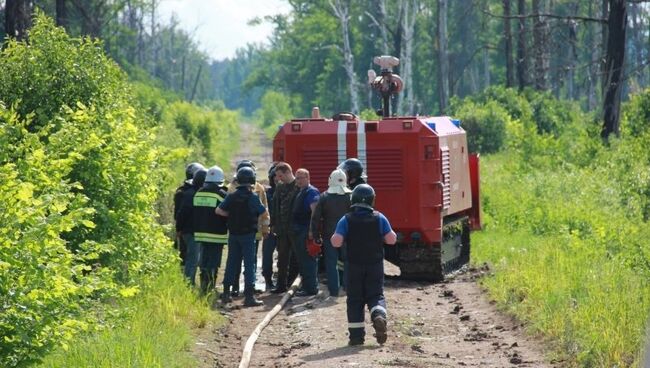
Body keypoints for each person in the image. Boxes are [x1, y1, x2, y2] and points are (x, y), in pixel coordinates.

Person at [331, 184, 397, 346]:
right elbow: (391, 240)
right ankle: (378, 315)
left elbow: (336, 242)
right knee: (375, 295)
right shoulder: (380, 217)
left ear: (353, 200)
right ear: (372, 200)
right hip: (374, 265)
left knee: (354, 299)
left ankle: (356, 337)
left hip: (354, 265)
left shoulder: (346, 219)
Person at [217, 166, 267, 307]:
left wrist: (231, 215)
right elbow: (263, 212)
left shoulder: (231, 196)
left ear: (238, 180)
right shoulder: (253, 197)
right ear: (252, 180)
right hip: (248, 235)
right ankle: (249, 297)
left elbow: (219, 211)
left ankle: (226, 294)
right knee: (249, 264)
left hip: (233, 234)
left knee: (231, 262)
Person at [227, 160, 270, 296]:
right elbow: (264, 211)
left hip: (250, 231)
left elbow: (222, 209)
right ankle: (239, 288)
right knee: (241, 260)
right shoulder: (232, 189)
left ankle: (245, 288)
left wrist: (264, 229)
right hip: (246, 230)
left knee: (247, 261)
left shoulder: (259, 189)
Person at [310, 169, 351, 297]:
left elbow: (316, 218)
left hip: (330, 235)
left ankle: (334, 291)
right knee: (348, 261)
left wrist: (316, 236)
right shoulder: (350, 196)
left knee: (331, 263)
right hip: (348, 235)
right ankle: (348, 287)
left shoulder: (324, 197)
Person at [192, 166, 229, 294]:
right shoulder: (221, 195)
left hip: (201, 234)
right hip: (216, 235)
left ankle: (203, 286)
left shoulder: (198, 193)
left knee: (203, 261)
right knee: (214, 262)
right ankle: (210, 288)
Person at [269, 162, 300, 293]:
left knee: (295, 258)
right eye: (277, 176)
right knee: (282, 258)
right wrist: (273, 224)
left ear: (288, 172)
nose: (278, 179)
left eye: (281, 175)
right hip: (282, 229)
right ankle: (281, 286)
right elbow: (275, 206)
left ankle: (292, 284)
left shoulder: (298, 187)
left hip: (294, 228)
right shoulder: (280, 188)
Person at [291, 168, 320, 296]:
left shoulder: (311, 192)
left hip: (305, 231)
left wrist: (311, 231)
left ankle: (311, 288)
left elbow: (314, 212)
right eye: (297, 178)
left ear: (308, 178)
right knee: (302, 260)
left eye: (301, 178)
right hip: (299, 230)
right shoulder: (301, 191)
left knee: (308, 260)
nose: (298, 181)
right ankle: (307, 286)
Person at [177, 167, 207, 285]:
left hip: (188, 231)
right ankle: (189, 284)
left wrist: (179, 229)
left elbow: (180, 213)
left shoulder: (189, 193)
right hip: (192, 232)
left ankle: (190, 283)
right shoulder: (195, 195)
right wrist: (179, 229)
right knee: (193, 260)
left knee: (193, 258)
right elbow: (182, 213)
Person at [174, 162, 205, 266]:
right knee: (191, 256)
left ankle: (184, 277)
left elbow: (177, 214)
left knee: (184, 253)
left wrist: (178, 228)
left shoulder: (180, 191)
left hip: (182, 227)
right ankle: (187, 279)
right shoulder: (193, 192)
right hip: (190, 228)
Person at [261, 163, 278, 290]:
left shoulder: (291, 192)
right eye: (275, 177)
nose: (277, 179)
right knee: (267, 256)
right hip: (270, 229)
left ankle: (284, 279)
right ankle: (268, 280)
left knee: (285, 256)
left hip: (284, 230)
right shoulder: (267, 194)